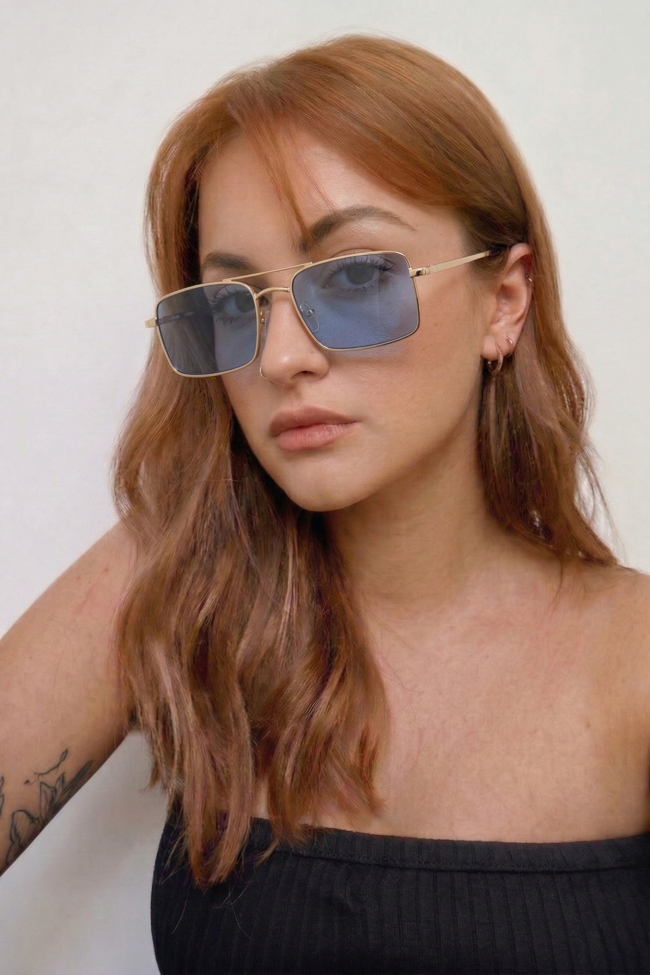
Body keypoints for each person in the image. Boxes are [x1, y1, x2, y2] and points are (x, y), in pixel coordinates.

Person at [1, 31, 649, 975]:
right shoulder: (179, 588)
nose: (280, 357)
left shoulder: (633, 661)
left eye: (353, 277)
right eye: (235, 302)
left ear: (504, 301)